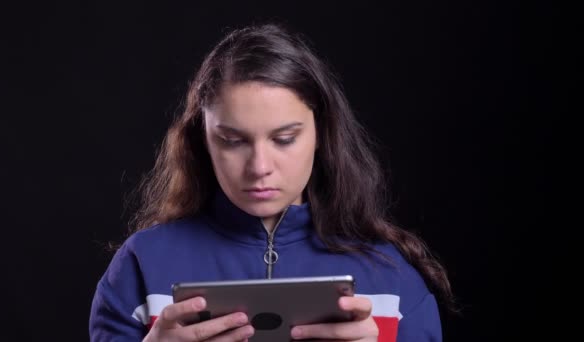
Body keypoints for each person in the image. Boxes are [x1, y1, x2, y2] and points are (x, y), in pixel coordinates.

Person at [89, 23, 453, 342]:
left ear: (321, 134)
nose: (260, 167)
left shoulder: (392, 278)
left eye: (284, 138)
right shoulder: (142, 265)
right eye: (233, 141)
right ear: (203, 140)